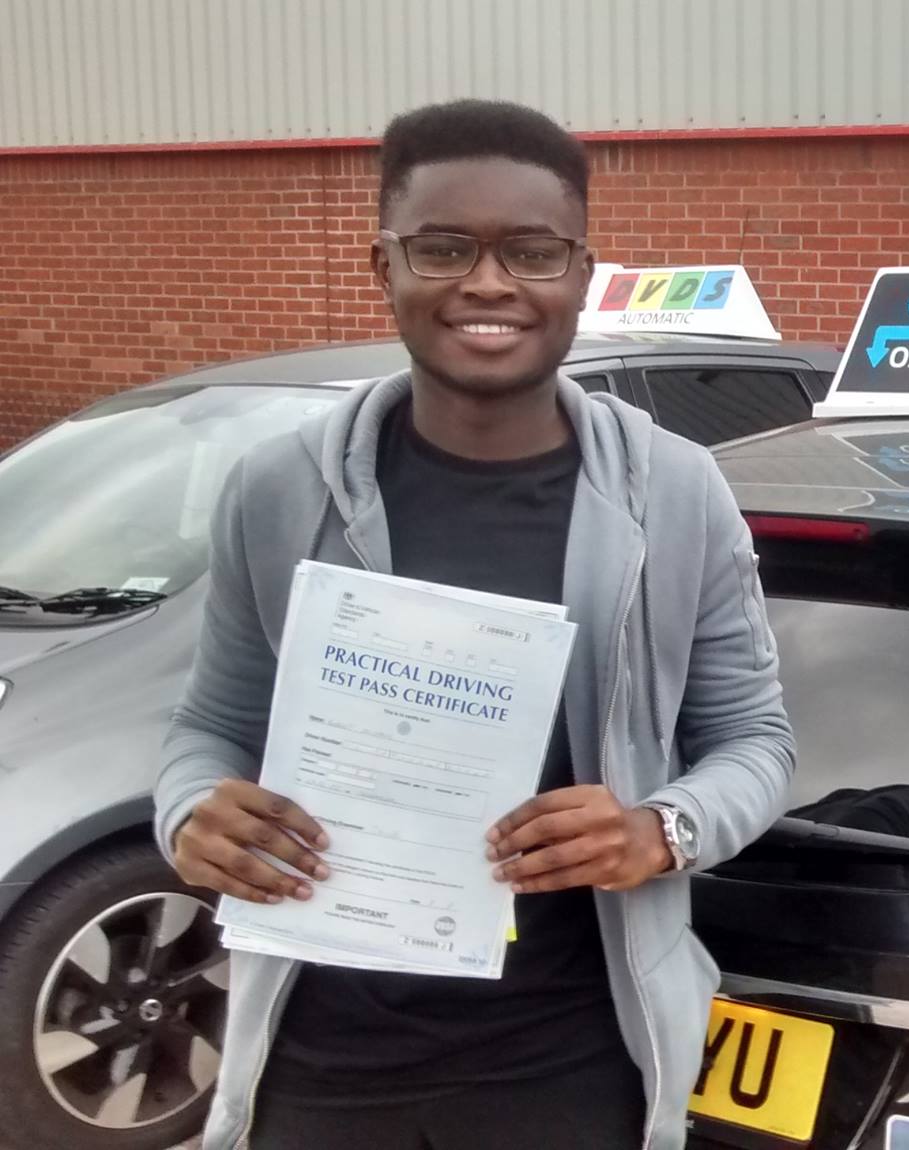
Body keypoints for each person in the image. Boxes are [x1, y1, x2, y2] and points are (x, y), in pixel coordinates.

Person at [153, 99, 795, 1150]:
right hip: (321, 1055)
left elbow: (757, 743)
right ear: (385, 264)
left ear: (581, 275)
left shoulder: (675, 494)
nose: (489, 284)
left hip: (568, 1057)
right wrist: (188, 813)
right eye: (444, 247)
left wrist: (658, 830)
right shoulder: (277, 489)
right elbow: (211, 724)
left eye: (532, 252)